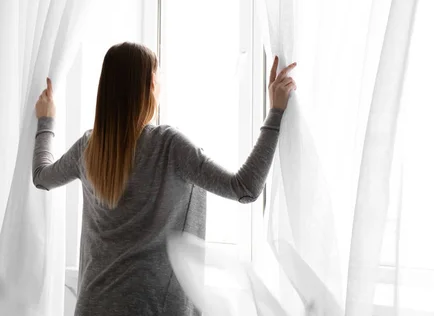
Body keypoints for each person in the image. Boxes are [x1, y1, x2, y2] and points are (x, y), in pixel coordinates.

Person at [32, 42, 297, 316]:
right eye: (157, 78)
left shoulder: (87, 148)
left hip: (92, 305)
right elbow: (245, 188)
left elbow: (41, 177)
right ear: (148, 87)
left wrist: (46, 121)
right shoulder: (168, 146)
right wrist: (275, 113)